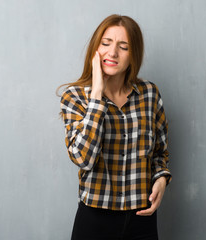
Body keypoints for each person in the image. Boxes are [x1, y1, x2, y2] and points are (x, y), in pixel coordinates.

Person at [59, 14, 172, 240]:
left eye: (124, 47)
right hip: (95, 220)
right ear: (95, 48)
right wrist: (97, 95)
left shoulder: (149, 94)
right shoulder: (75, 97)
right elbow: (83, 158)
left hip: (142, 218)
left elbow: (159, 152)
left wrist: (161, 178)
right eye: (106, 43)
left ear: (134, 54)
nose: (113, 53)